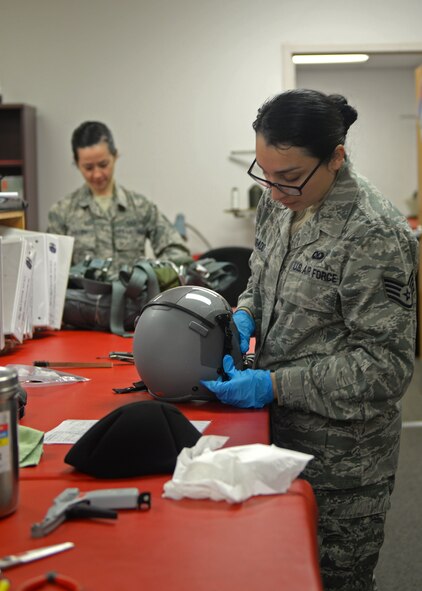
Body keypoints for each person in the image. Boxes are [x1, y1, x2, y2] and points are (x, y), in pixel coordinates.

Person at [203, 89, 418, 591]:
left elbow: (384, 367)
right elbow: (259, 278)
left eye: (290, 179)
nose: (275, 191)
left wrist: (274, 385)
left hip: (343, 464)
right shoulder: (277, 202)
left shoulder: (373, 232)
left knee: (331, 579)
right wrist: (244, 315)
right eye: (264, 174)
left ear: (336, 157)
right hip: (274, 437)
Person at [47, 121, 192, 278]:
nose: (97, 174)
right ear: (77, 164)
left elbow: (177, 252)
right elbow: (52, 270)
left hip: (132, 299)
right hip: (84, 300)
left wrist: (150, 276)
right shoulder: (62, 212)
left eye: (103, 164)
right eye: (88, 168)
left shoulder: (140, 206)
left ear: (115, 156)